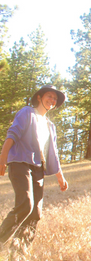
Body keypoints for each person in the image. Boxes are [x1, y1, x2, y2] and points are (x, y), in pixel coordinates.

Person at [0, 85, 68, 252]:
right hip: (20, 164)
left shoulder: (50, 126)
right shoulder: (27, 113)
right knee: (25, 205)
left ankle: (18, 260)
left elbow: (53, 153)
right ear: (39, 97)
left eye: (55, 99)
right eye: (49, 96)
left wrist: (60, 177)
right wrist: (3, 158)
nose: (52, 100)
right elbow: (12, 134)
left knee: (35, 214)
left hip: (38, 170)